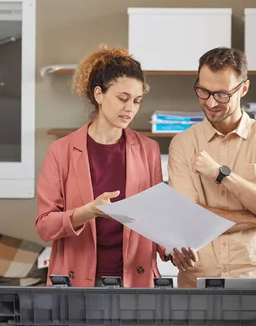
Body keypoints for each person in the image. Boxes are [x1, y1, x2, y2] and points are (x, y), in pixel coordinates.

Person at [35, 45, 191, 287]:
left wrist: (172, 248)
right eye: (122, 98)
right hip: (76, 282)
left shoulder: (148, 149)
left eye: (137, 101)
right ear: (99, 94)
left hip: (136, 279)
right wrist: (87, 212)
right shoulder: (61, 151)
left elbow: (154, 217)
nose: (130, 108)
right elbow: (45, 226)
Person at [167, 47, 256, 288]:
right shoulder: (183, 144)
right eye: (203, 91)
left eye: (222, 94)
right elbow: (188, 219)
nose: (211, 102)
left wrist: (221, 174)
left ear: (243, 88)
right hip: (199, 282)